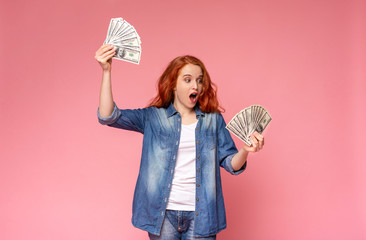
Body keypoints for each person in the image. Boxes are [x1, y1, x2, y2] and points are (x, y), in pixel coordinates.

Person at [95, 44, 265, 240]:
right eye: (188, 80)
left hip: (203, 215)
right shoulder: (153, 117)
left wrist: (245, 149)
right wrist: (106, 71)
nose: (196, 86)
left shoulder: (213, 119)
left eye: (199, 81)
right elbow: (108, 116)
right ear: (173, 84)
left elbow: (230, 163)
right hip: (162, 214)